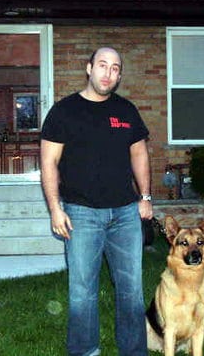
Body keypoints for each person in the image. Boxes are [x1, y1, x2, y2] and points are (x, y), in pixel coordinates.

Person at [40, 47, 153, 356]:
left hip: (126, 213)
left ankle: (133, 352)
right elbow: (49, 162)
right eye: (102, 65)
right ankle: (85, 352)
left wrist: (145, 197)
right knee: (82, 294)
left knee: (131, 292)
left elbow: (139, 153)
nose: (108, 73)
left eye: (115, 68)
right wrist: (55, 209)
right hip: (81, 214)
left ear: (119, 75)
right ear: (89, 68)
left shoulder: (127, 111)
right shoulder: (64, 111)